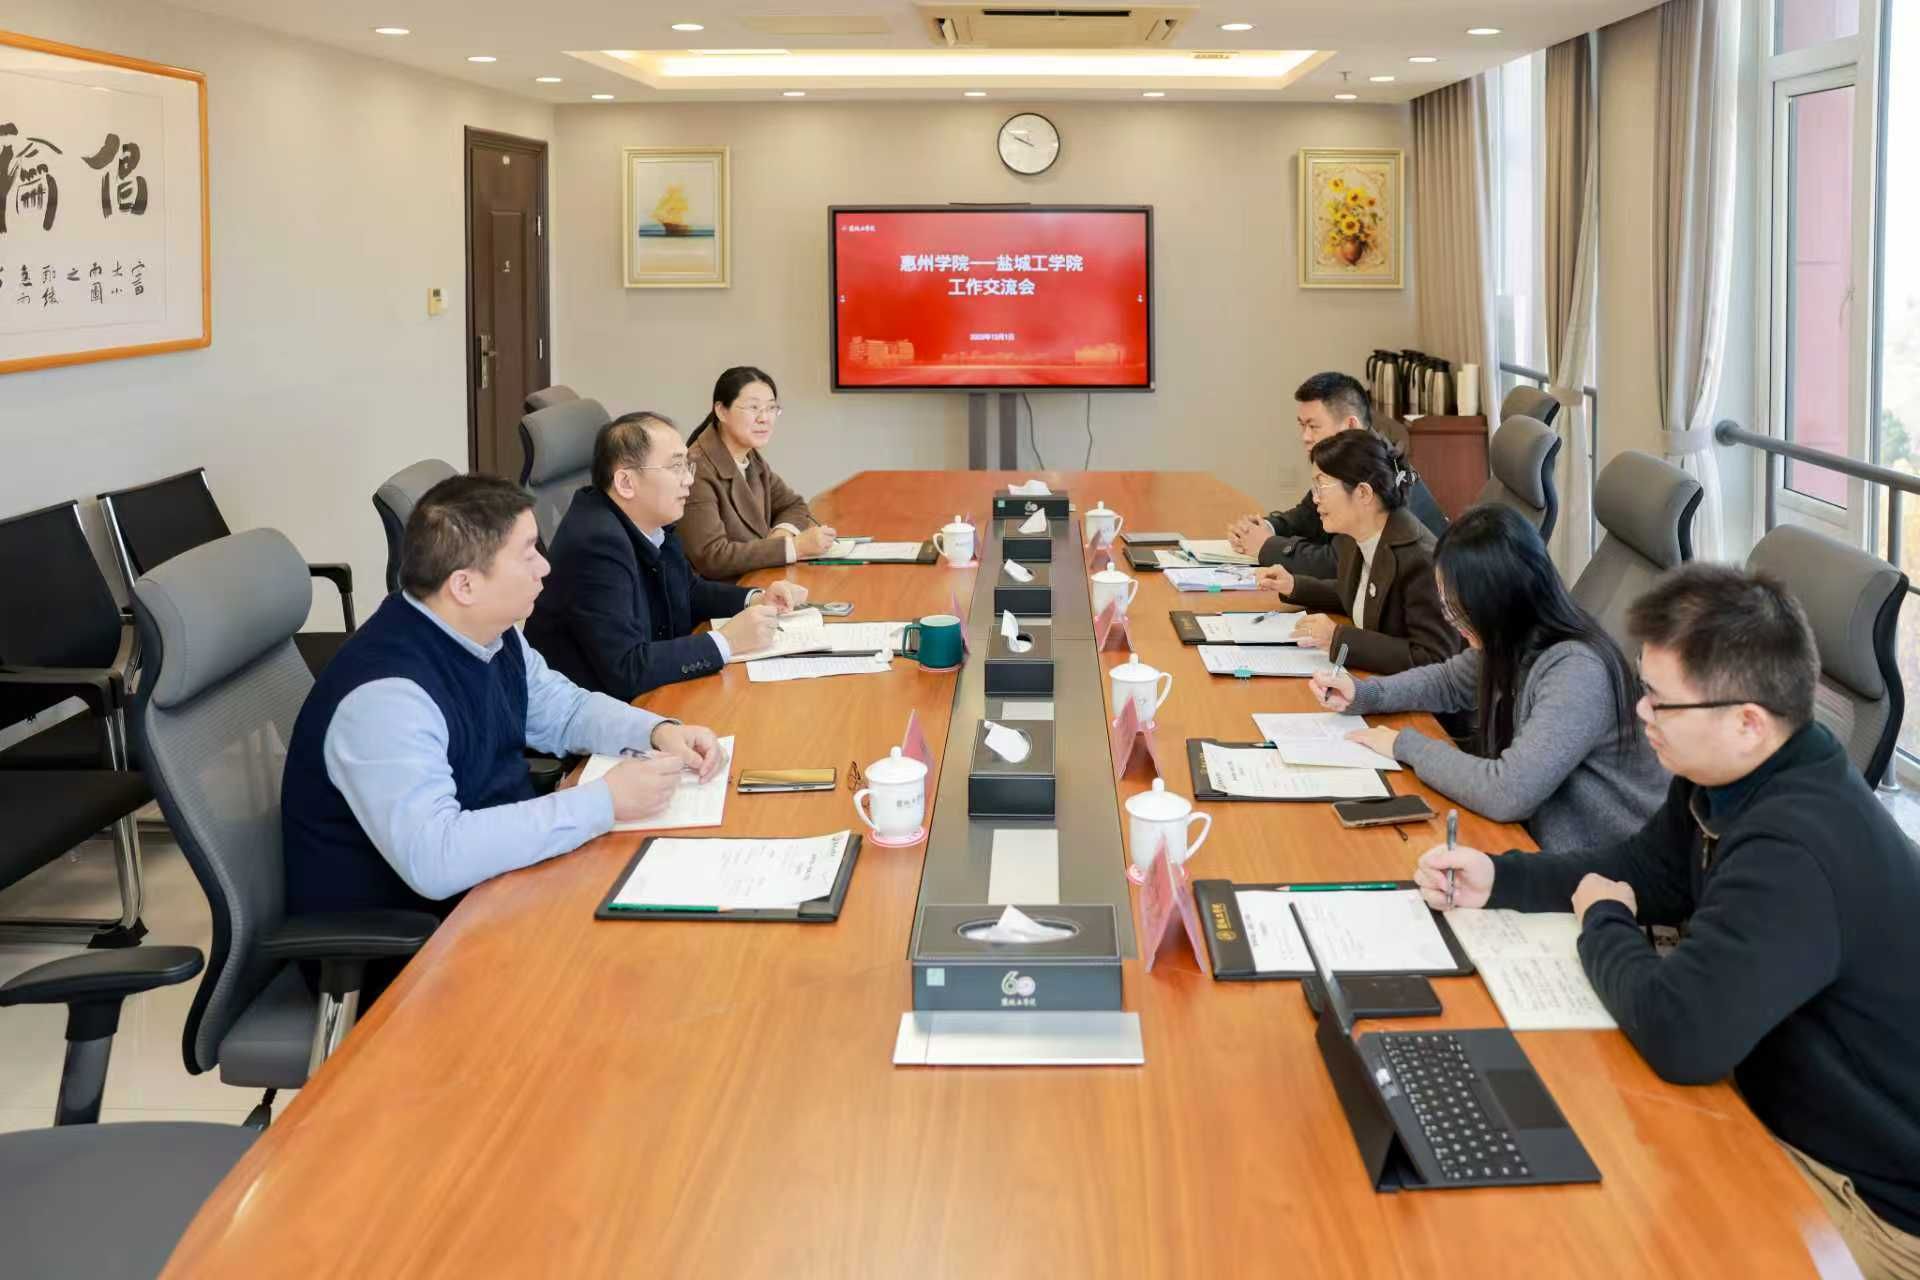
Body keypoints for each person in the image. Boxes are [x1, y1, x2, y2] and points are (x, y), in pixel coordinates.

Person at [1416, 563, 1920, 1280]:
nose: (1641, 713)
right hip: (1772, 1104)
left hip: (1870, 1197)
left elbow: (1682, 1035)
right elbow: (1644, 871)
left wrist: (1604, 923)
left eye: (1660, 700)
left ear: (1747, 721)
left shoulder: (1797, 845)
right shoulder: (1729, 776)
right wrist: (1501, 878)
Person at [282, 474, 729, 924]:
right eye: (528, 553)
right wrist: (604, 802)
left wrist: (655, 731)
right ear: (465, 586)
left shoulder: (490, 632)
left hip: (502, 880)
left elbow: (565, 710)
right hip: (424, 936)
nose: (545, 567)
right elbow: (436, 858)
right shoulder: (386, 699)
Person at [1310, 504, 1665, 850]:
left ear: (1500, 601)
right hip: (1534, 841)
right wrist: (1364, 693)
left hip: (1597, 867)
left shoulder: (1577, 671)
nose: (1453, 622)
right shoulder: (1516, 637)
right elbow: (1448, 681)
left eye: (1459, 610)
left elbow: (1507, 792)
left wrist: (1404, 745)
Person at [524, 411, 808, 701]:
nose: (689, 479)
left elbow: (687, 590)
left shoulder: (651, 521)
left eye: (687, 465)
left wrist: (756, 599)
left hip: (650, 696)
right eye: (676, 467)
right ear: (625, 483)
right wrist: (727, 642)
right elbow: (627, 668)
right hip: (595, 714)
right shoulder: (596, 545)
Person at [1251, 430, 1458, 675]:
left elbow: (1434, 659)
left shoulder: (1421, 560)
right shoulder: (1355, 537)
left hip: (1413, 698)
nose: (1315, 498)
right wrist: (1294, 585)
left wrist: (1338, 638)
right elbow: (1355, 593)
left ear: (1363, 493)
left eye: (1322, 486)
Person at [1225, 371, 1448, 575]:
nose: (1305, 437)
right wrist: (1265, 528)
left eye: (1313, 426)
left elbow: (1340, 564)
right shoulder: (1349, 461)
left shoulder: (1378, 474)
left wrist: (1266, 546)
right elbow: (1307, 516)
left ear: (1350, 425)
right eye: (1302, 426)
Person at [677, 366, 836, 580]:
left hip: (759, 581)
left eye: (771, 408)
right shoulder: (696, 468)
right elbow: (712, 557)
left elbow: (794, 505)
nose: (764, 418)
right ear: (721, 411)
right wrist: (792, 547)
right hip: (725, 593)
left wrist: (782, 534)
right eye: (753, 408)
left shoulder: (750, 457)